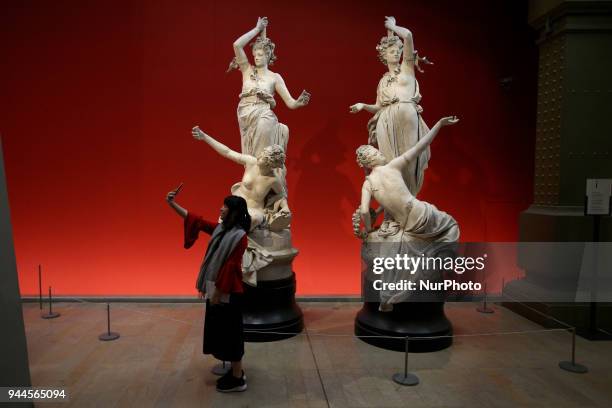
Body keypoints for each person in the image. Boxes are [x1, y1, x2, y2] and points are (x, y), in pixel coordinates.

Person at [166, 189, 249, 393]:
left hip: (228, 293)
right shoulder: (222, 230)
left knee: (232, 335)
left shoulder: (238, 236)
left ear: (234, 212)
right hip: (219, 291)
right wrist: (172, 204)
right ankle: (236, 372)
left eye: (225, 207)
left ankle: (238, 378)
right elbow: (197, 221)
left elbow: (231, 267)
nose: (221, 209)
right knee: (225, 333)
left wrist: (218, 295)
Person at [350, 16, 432, 196]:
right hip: (385, 123)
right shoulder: (383, 81)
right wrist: (363, 106)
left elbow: (408, 36)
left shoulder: (407, 68)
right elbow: (379, 107)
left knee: (409, 161)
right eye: (392, 51)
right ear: (383, 55)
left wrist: (393, 27)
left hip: (406, 115)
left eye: (398, 50)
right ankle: (394, 211)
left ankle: (408, 203)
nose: (396, 53)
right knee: (389, 164)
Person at [356, 116, 460, 241]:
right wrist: (439, 124)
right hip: (418, 213)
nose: (381, 153)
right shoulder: (392, 166)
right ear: (371, 160)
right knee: (451, 226)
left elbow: (364, 211)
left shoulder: (367, 184)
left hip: (406, 224)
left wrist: (369, 230)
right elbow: (420, 147)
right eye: (377, 153)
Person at [229, 17, 310, 157]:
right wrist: (257, 29)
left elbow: (290, 103)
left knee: (262, 151)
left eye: (260, 55)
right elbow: (237, 45)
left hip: (264, 114)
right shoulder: (247, 70)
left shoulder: (275, 77)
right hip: (245, 114)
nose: (256, 57)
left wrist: (299, 103)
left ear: (268, 56)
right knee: (249, 157)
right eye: (255, 54)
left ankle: (264, 170)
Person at [191, 126, 290, 231]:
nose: (260, 155)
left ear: (271, 163)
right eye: (263, 152)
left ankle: (240, 238)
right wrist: (204, 137)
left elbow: (281, 195)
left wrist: (285, 207)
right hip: (235, 206)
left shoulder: (273, 180)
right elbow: (227, 152)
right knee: (225, 223)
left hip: (254, 211)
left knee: (250, 221)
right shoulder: (251, 162)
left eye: (264, 156)